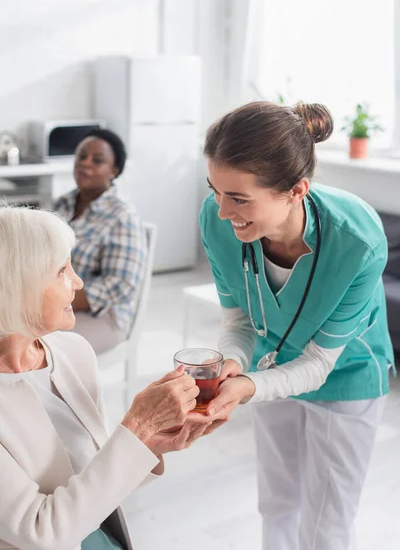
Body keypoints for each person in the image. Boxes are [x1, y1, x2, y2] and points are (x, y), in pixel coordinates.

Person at [198, 101, 395, 550]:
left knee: (327, 522)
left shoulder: (358, 241)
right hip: (268, 363)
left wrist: (249, 385)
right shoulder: (216, 219)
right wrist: (232, 364)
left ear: (296, 190)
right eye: (215, 190)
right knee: (278, 502)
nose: (223, 212)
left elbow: (320, 363)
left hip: (344, 378)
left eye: (240, 198)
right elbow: (240, 319)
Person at [0, 205, 213, 550]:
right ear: (17, 283)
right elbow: (41, 534)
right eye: (61, 270)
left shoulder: (73, 352)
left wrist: (151, 442)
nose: (78, 282)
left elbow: (90, 478)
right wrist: (137, 426)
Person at [54, 128, 146, 355]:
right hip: (57, 303)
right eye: (81, 157)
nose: (85, 164)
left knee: (35, 342)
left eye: (97, 160)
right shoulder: (63, 203)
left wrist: (56, 298)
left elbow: (120, 286)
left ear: (114, 171)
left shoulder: (122, 216)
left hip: (104, 317)